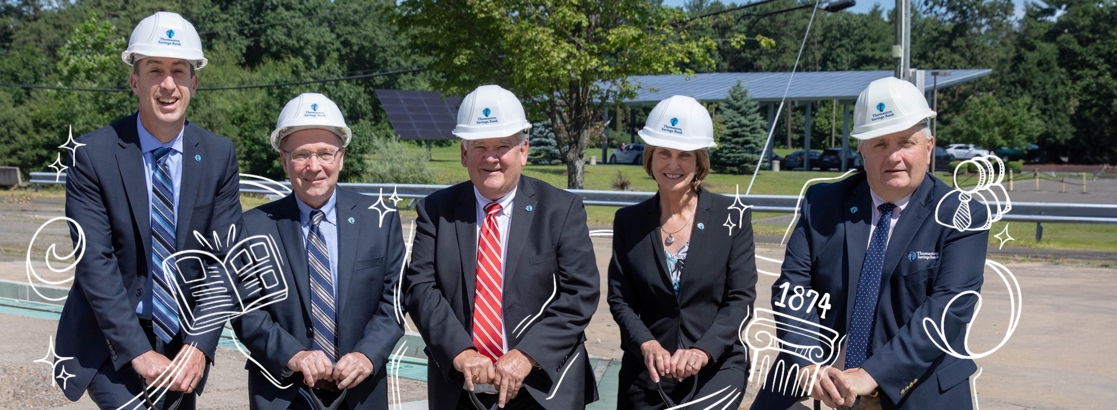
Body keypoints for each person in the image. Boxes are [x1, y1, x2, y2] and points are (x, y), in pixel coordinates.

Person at [750, 77, 988, 410]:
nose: (894, 157)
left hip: (919, 387)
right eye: (879, 144)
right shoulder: (822, 203)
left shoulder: (962, 215)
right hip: (819, 379)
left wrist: (870, 374)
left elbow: (948, 309)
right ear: (861, 150)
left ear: (930, 147)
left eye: (906, 142)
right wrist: (808, 362)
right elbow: (793, 286)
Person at [57, 12, 242, 409]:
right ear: (134, 80)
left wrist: (200, 344)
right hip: (110, 338)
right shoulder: (93, 156)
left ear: (194, 81)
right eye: (154, 70)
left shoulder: (218, 155)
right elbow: (94, 262)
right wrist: (138, 351)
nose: (168, 84)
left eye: (179, 70)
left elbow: (224, 261)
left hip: (182, 338)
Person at [404, 85, 600, 410]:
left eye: (503, 146)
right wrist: (460, 351)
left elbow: (580, 293)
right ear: (464, 153)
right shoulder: (435, 212)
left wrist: (527, 355)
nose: (491, 158)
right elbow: (420, 290)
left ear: (523, 151)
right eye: (479, 146)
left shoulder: (560, 210)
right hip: (460, 388)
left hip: (543, 388)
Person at [230, 93, 405, 409]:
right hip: (282, 392)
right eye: (301, 155)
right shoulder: (252, 226)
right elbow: (246, 310)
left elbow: (393, 301)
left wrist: (368, 354)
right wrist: (293, 354)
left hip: (361, 392)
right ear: (284, 160)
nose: (314, 166)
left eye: (325, 153)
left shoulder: (380, 220)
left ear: (341, 157)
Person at [606, 95, 757, 409]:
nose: (672, 164)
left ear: (700, 160)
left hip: (715, 366)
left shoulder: (732, 218)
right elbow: (621, 300)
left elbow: (740, 299)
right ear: (650, 157)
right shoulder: (628, 222)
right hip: (648, 372)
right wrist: (646, 344)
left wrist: (703, 351)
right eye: (664, 152)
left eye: (684, 155)